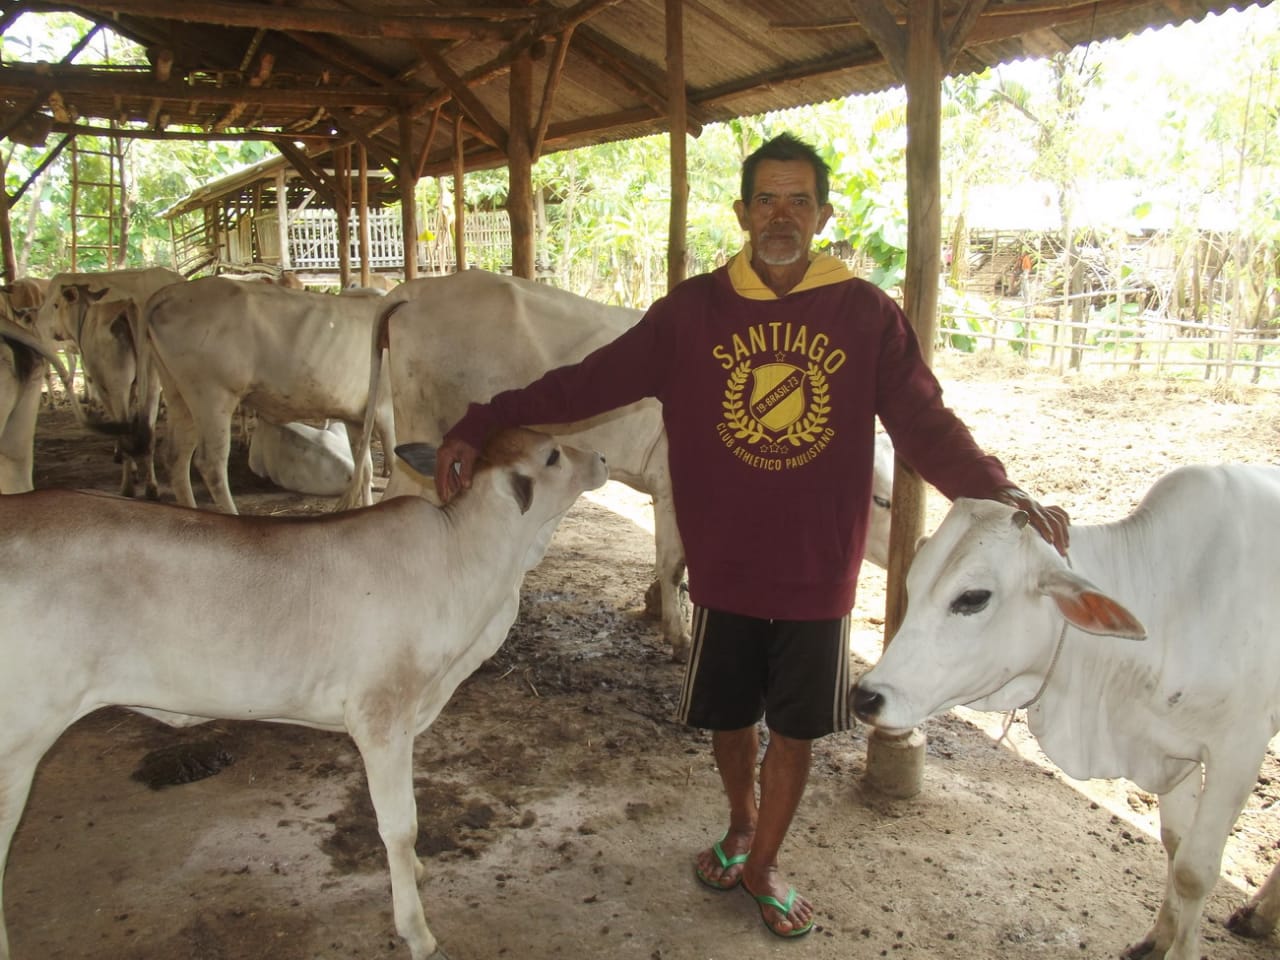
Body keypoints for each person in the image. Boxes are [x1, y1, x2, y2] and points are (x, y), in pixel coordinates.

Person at [433, 133, 1069, 940]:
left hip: (817, 572)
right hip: (727, 568)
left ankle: (765, 863)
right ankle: (740, 827)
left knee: (798, 730)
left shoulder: (865, 314)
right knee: (730, 719)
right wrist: (484, 418)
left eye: (799, 200)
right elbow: (584, 385)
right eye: (766, 200)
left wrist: (996, 485)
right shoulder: (690, 315)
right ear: (740, 213)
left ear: (823, 214)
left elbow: (923, 422)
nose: (781, 216)